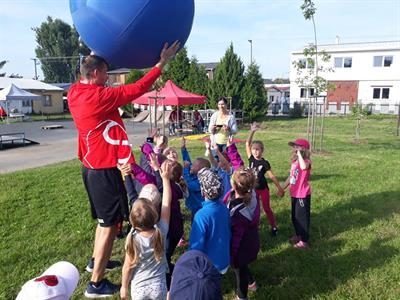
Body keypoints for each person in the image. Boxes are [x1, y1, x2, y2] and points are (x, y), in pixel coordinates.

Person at [67, 41, 180, 297]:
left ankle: (97, 262)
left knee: (102, 222)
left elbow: (91, 65)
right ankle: (96, 284)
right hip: (104, 170)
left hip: (90, 167)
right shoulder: (99, 97)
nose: (108, 79)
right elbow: (138, 87)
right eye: (106, 74)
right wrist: (161, 63)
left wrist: (96, 48)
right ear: (95, 74)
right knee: (109, 225)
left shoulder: (75, 91)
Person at [120, 161, 172, 300]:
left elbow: (127, 267)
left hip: (139, 289)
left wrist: (124, 287)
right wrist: (165, 179)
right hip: (159, 287)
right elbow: (166, 203)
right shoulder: (161, 231)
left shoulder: (132, 239)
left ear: (132, 221)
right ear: (155, 214)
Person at [223, 167, 260, 300]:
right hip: (251, 240)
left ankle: (242, 296)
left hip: (239, 247)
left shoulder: (236, 212)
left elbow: (236, 237)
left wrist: (232, 256)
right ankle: (252, 283)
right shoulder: (253, 194)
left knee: (240, 272)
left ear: (233, 185)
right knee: (243, 266)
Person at [246, 122, 285, 237]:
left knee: (267, 209)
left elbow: (271, 176)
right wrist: (252, 131)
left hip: (263, 189)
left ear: (262, 150)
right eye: (254, 149)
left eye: (257, 149)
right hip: (253, 190)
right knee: (254, 209)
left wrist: (280, 188)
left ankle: (274, 227)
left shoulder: (265, 163)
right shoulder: (251, 159)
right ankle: (255, 227)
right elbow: (247, 143)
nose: (255, 151)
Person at [189, 168, 231, 274]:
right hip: (224, 259)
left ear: (203, 192)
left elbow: (196, 244)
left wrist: (191, 262)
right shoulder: (224, 208)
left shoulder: (201, 216)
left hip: (208, 266)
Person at [281, 138, 312, 249]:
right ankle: (298, 235)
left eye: (297, 147)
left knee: (302, 218)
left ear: (304, 149)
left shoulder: (307, 161)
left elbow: (303, 167)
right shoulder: (294, 162)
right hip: (294, 193)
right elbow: (291, 176)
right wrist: (282, 188)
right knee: (295, 217)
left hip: (302, 195)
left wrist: (299, 155)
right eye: (294, 147)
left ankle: (304, 241)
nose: (294, 149)